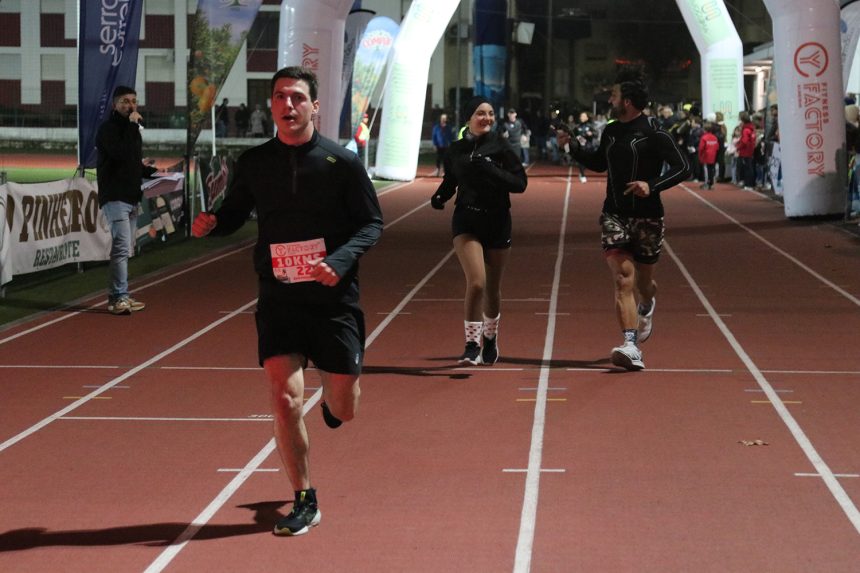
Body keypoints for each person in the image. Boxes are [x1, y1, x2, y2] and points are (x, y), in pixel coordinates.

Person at [191, 66, 383, 536]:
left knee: (345, 407)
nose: (288, 105)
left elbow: (371, 224)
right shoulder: (255, 162)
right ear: (271, 105)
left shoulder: (342, 163)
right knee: (283, 398)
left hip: (333, 299)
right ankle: (304, 498)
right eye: (279, 97)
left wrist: (339, 260)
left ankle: (333, 406)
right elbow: (235, 213)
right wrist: (214, 223)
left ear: (314, 106)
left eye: (297, 97)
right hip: (279, 297)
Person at [557, 67, 689, 371]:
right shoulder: (612, 131)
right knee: (622, 279)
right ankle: (631, 344)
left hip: (648, 218)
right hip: (614, 214)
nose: (610, 100)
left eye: (614, 95)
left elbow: (683, 167)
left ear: (627, 101)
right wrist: (572, 146)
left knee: (644, 282)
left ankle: (647, 303)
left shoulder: (655, 133)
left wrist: (651, 185)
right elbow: (598, 163)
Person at [429, 96, 527, 366]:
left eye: (491, 113)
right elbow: (451, 179)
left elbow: (520, 183)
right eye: (481, 113)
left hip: (497, 221)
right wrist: (440, 196)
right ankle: (471, 345)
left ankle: (490, 337)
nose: (487, 118)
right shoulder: (456, 149)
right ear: (469, 118)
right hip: (467, 220)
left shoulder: (501, 146)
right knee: (477, 282)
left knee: (492, 288)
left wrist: (491, 169)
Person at [96, 85, 158, 315]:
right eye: (125, 101)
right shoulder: (108, 129)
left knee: (125, 249)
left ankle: (119, 295)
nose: (130, 105)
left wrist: (148, 170)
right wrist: (132, 126)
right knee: (121, 249)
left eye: (133, 101)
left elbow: (130, 161)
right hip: (115, 197)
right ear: (115, 105)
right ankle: (118, 297)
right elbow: (119, 154)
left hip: (131, 197)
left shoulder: (132, 131)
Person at [698, 122, 719, 189]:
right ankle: (711, 183)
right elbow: (717, 147)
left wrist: (700, 156)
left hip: (705, 156)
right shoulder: (714, 137)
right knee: (711, 170)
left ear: (704, 129)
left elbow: (701, 148)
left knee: (706, 170)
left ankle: (707, 183)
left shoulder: (704, 137)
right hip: (713, 156)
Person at [431, 112, 453, 176]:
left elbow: (450, 137)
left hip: (446, 146)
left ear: (446, 119)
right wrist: (434, 144)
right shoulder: (436, 127)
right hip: (438, 145)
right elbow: (434, 136)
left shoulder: (448, 127)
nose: (443, 119)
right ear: (440, 119)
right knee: (438, 158)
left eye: (445, 118)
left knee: (445, 159)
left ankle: (444, 171)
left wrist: (451, 144)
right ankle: (438, 170)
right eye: (442, 118)